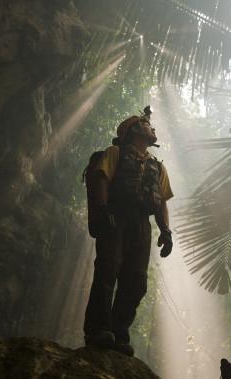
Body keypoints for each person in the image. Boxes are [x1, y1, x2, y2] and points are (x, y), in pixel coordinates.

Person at [83, 113, 173, 356]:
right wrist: (102, 210)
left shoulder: (157, 165)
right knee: (107, 270)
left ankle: (119, 331)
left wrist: (166, 231)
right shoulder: (116, 153)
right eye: (146, 125)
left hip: (142, 225)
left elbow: (162, 201)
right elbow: (102, 177)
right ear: (134, 130)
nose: (152, 128)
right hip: (116, 216)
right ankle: (98, 329)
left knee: (137, 280)